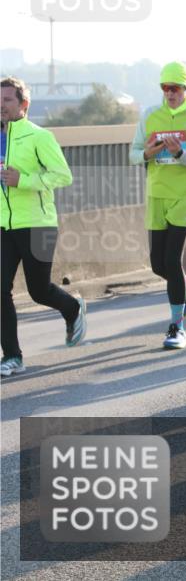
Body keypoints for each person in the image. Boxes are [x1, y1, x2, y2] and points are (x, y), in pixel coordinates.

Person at [1, 77, 86, 377]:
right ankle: (12, 356)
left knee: (39, 291)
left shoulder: (39, 137)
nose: (1, 106)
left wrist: (22, 180)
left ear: (24, 104)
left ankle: (73, 309)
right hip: (4, 226)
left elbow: (63, 176)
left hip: (38, 224)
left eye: (8, 100)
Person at [130, 62, 186, 349]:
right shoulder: (150, 115)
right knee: (157, 265)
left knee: (172, 260)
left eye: (174, 88)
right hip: (157, 194)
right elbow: (132, 154)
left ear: (185, 89)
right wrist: (148, 153)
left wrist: (180, 153)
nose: (169, 94)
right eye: (165, 88)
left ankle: (177, 328)